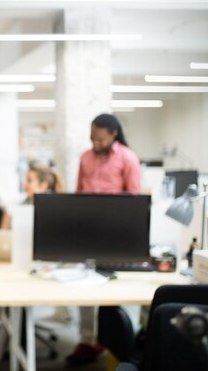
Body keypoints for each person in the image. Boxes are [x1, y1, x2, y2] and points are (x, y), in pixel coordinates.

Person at [68, 113, 141, 364]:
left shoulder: (128, 158)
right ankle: (87, 340)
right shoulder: (85, 157)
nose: (95, 143)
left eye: (100, 139)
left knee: (111, 288)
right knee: (83, 285)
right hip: (88, 229)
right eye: (92, 139)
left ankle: (111, 341)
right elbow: (79, 191)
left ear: (113, 134)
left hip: (114, 232)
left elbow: (134, 199)